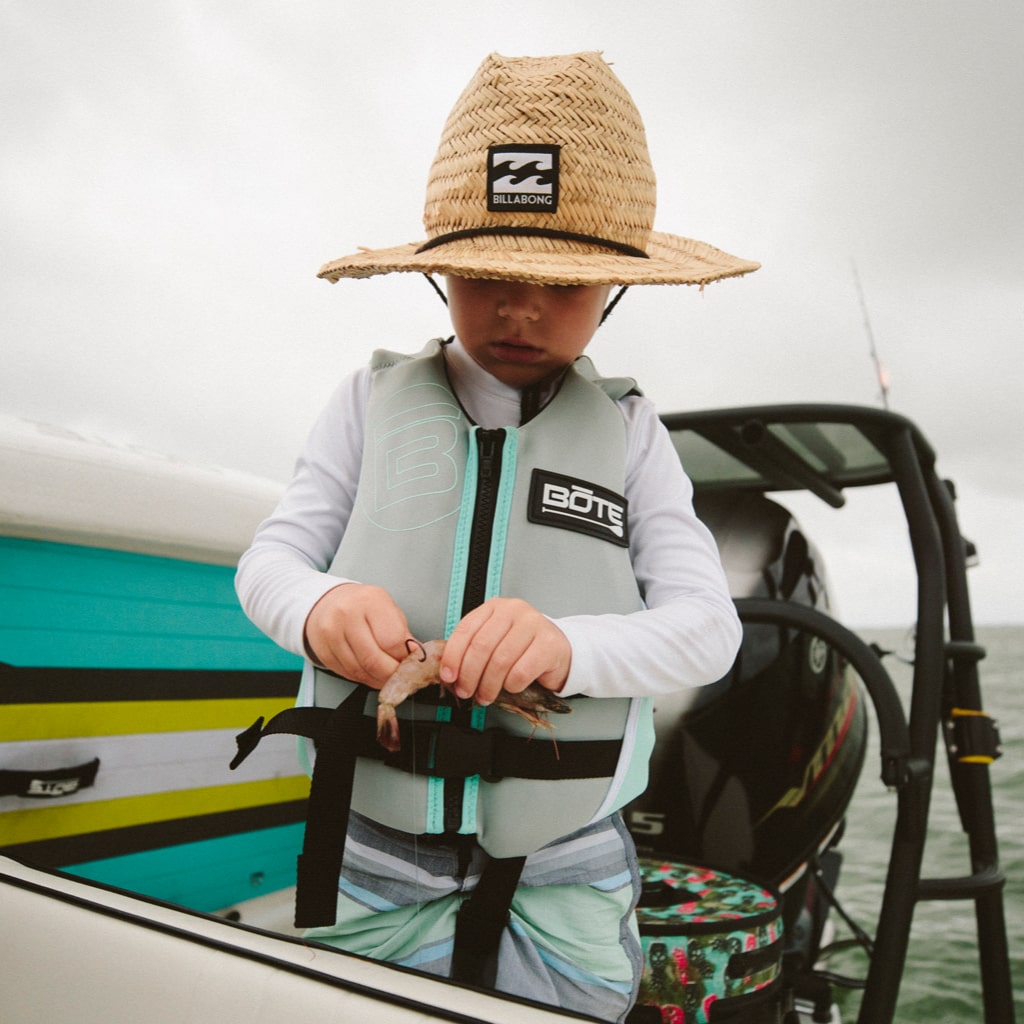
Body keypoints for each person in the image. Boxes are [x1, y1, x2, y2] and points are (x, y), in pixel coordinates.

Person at [235, 51, 758, 1023]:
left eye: (557, 283)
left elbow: (704, 628)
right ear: (440, 272)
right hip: (370, 841)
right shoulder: (363, 400)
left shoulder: (634, 431)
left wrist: (568, 644)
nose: (518, 308)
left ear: (613, 284)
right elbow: (268, 564)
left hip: (573, 854)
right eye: (486, 275)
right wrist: (319, 608)